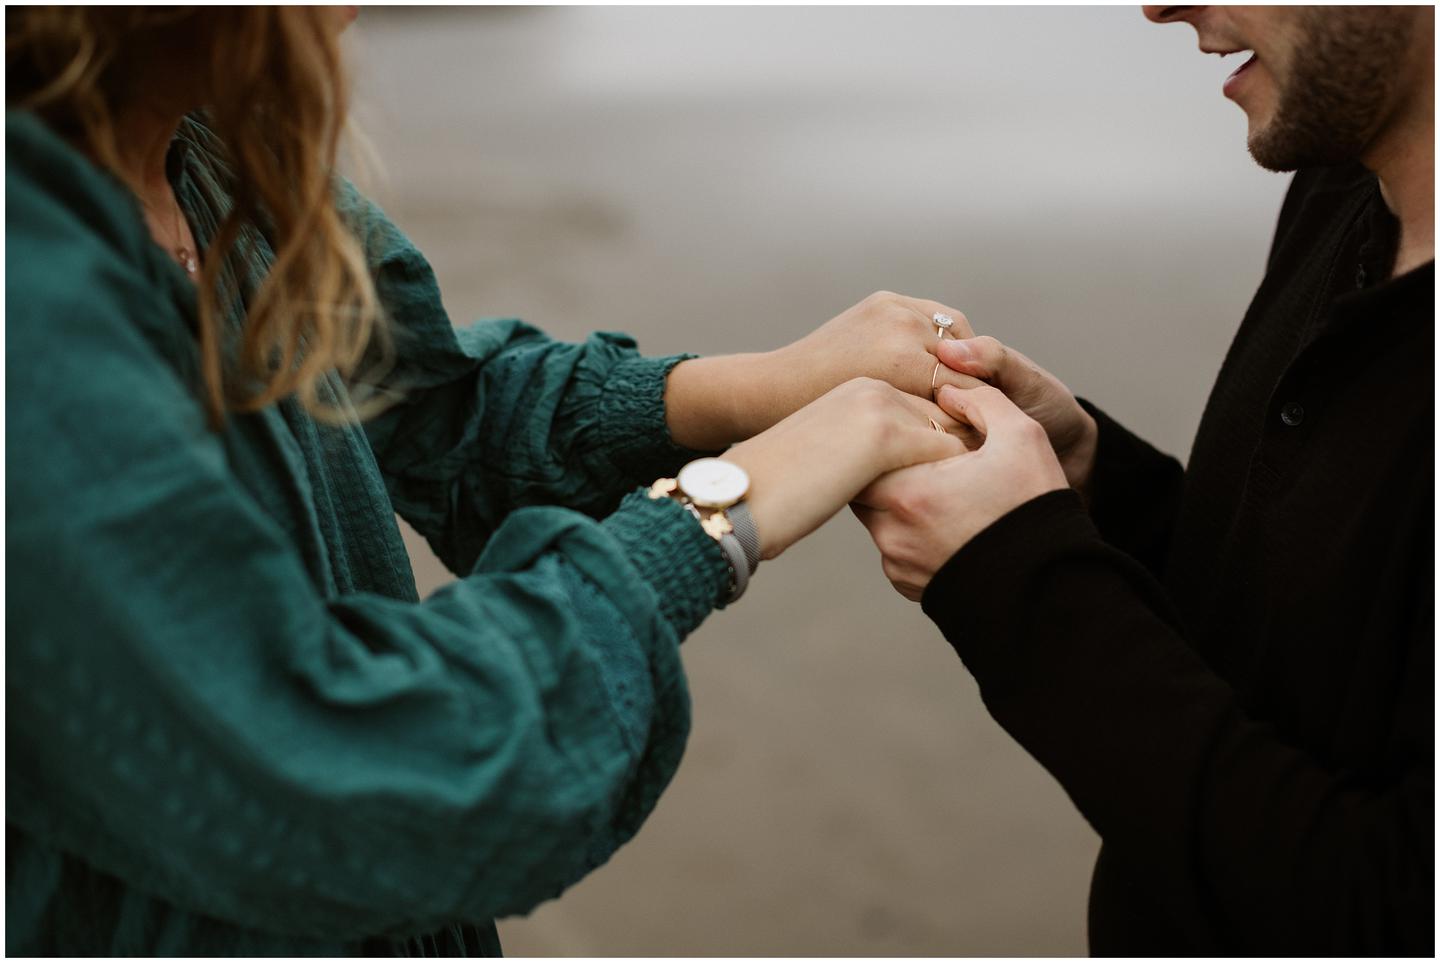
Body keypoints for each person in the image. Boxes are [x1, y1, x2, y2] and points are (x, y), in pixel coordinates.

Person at [5, 8, 978, 956]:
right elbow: (347, 777)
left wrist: (772, 384)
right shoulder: (31, 301)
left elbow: (432, 410)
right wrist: (718, 511)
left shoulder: (210, 153)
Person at [854, 5, 1433, 955]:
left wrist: (1018, 580)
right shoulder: (1346, 179)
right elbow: (1309, 648)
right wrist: (1089, 479)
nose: (1159, 3)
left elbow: (1390, 912)